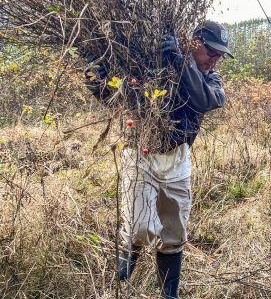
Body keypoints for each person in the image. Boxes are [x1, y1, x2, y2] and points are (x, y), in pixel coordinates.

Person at [85, 20, 233, 298]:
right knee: (139, 229)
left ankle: (169, 295)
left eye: (219, 55)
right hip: (141, 157)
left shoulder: (210, 78)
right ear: (194, 41)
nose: (214, 60)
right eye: (211, 51)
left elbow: (206, 100)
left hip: (178, 161)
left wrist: (181, 61)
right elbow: (122, 97)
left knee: (174, 232)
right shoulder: (156, 64)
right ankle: (119, 287)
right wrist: (98, 79)